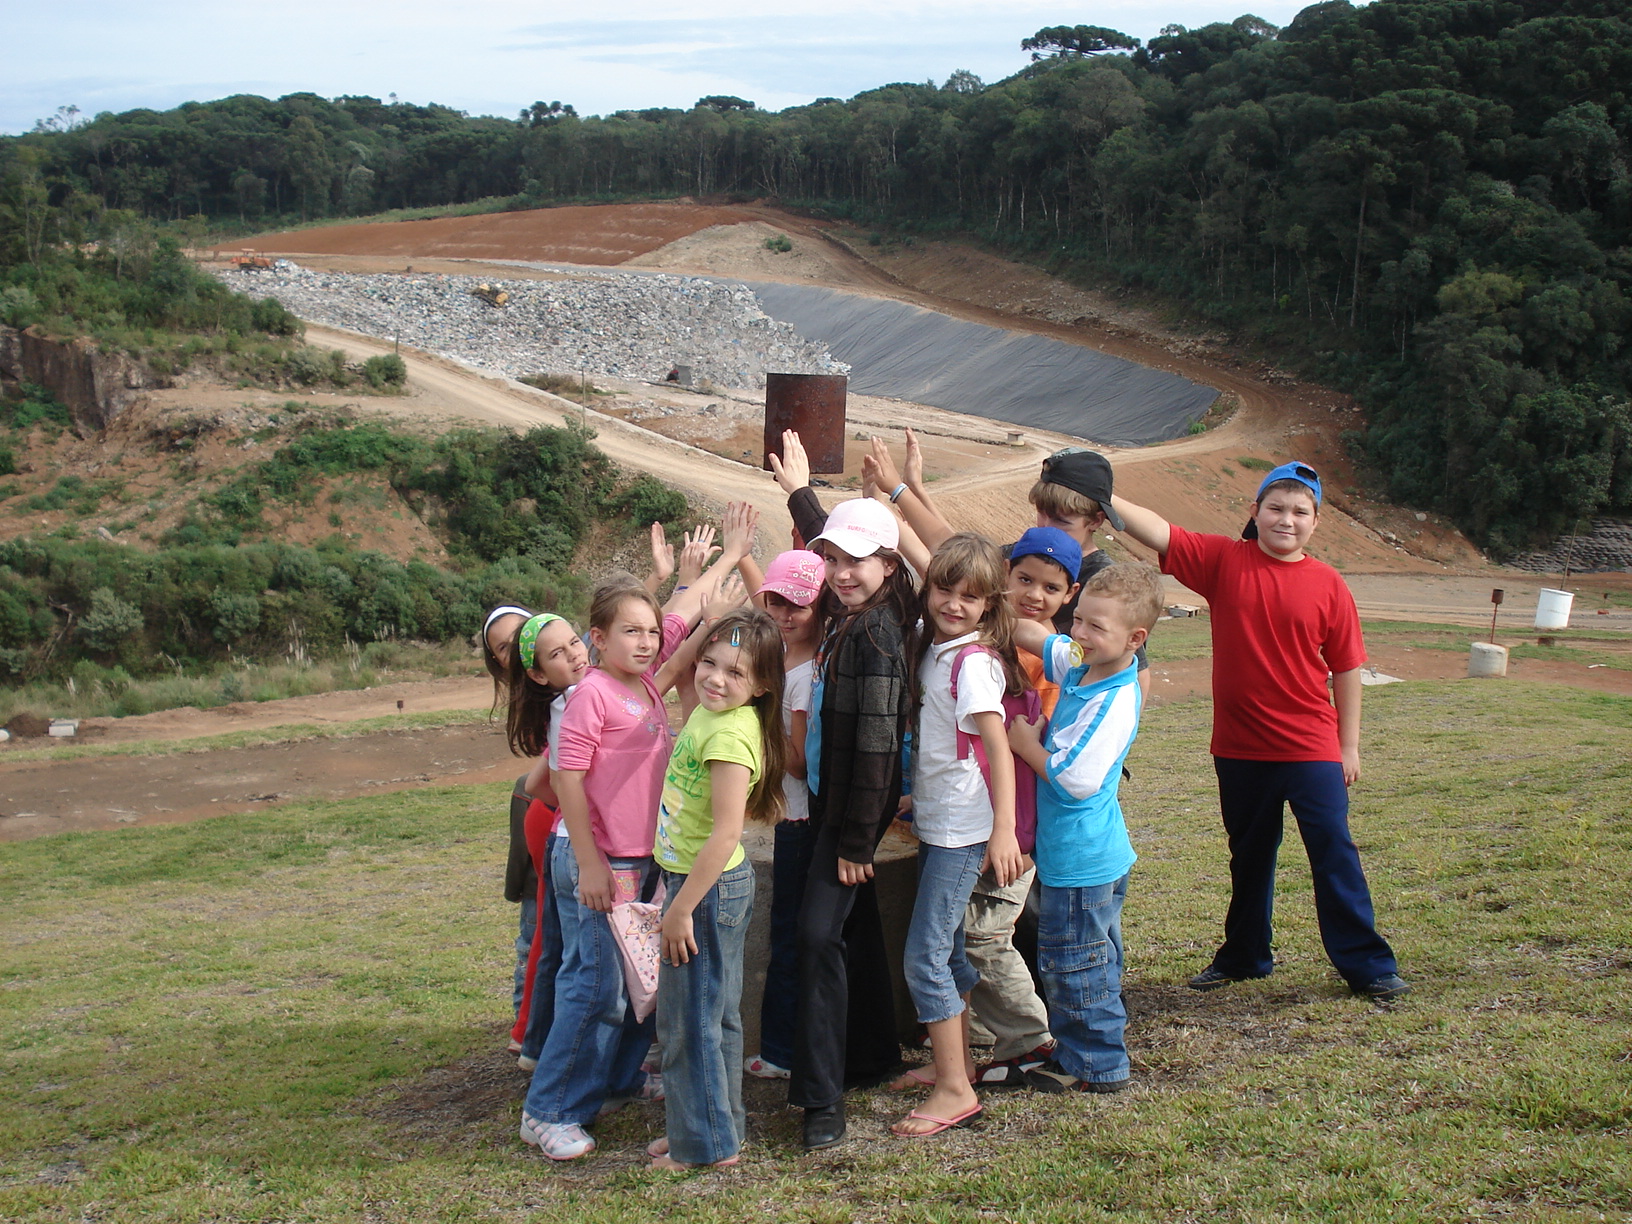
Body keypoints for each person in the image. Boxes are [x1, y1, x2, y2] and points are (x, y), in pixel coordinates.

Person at [1109, 461, 1409, 1001]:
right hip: (1240, 748)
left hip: (1311, 746)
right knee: (1248, 854)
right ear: (1255, 512)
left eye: (1300, 511)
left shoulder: (1328, 584)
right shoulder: (1226, 562)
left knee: (1333, 850)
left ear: (1315, 521)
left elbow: (1346, 667)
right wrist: (1101, 490)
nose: (1286, 520)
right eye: (1276, 508)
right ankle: (1246, 955)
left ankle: (1368, 966)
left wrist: (1349, 745)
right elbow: (1160, 530)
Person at [519, 508, 756, 1161]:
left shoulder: (644, 682)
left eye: (652, 632)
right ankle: (549, 1110)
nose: (649, 641)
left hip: (637, 856)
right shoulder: (591, 695)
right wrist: (591, 864)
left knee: (631, 986)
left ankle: (615, 1081)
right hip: (596, 858)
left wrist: (731, 556)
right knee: (593, 984)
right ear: (597, 638)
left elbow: (688, 614)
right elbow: (563, 781)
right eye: (631, 632)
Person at [782, 491, 917, 1151]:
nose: (840, 571)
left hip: (848, 816)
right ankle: (870, 1057)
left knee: (816, 939)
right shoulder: (855, 610)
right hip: (837, 808)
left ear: (889, 564)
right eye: (832, 557)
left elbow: (877, 744)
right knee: (851, 929)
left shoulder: (874, 633)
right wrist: (802, 498)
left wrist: (858, 840)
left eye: (858, 560)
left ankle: (821, 1101)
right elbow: (833, 544)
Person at [1008, 562, 1165, 1092]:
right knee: (1094, 958)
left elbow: (1075, 778)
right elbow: (1039, 636)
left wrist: (1024, 743)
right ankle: (1091, 1046)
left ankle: (1095, 1063)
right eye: (1077, 621)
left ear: (1134, 639)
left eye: (1096, 627)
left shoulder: (1114, 698)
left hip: (1081, 862)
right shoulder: (1083, 662)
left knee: (1075, 963)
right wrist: (995, 617)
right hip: (1087, 858)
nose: (1079, 634)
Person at [890, 534, 1025, 1137]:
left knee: (924, 955)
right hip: (941, 820)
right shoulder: (940, 651)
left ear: (989, 605)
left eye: (971, 597)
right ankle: (961, 1064)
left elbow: (996, 746)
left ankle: (953, 1089)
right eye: (945, 589)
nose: (954, 604)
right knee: (943, 950)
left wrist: (1002, 830)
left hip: (963, 832)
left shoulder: (972, 663)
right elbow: (955, 746)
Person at [647, 607, 787, 1170]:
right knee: (715, 1015)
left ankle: (704, 1146)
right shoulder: (711, 712)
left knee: (691, 1022)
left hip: (703, 892)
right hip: (701, 885)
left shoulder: (731, 735)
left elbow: (728, 830)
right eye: (710, 662)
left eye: (735, 671)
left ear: (761, 685)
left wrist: (679, 910)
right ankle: (714, 1127)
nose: (715, 678)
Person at [961, 526, 1082, 1087]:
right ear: (1004, 576)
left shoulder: (1055, 664)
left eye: (1050, 587)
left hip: (1016, 824)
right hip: (972, 815)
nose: (1034, 594)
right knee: (963, 928)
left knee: (985, 934)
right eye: (1024, 579)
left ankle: (1030, 1039)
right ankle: (986, 1035)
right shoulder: (987, 639)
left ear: (1069, 595)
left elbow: (1045, 752)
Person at [740, 550, 826, 1081]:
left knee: (788, 936)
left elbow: (796, 762)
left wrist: (757, 717)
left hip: (800, 821)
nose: (786, 614)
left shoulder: (799, 677)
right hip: (793, 819)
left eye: (799, 604)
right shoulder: (790, 664)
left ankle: (779, 1051)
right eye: (776, 602)